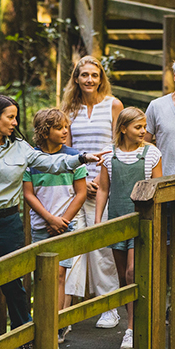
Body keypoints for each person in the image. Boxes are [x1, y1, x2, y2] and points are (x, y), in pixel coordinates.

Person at [0, 95, 106, 349]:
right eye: (10, 116)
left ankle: (25, 338)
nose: (15, 122)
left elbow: (52, 162)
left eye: (16, 117)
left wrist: (82, 158)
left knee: (13, 283)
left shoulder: (20, 147)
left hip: (7, 222)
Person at [62, 55, 126, 330]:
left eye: (94, 75)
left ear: (101, 78)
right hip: (77, 188)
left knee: (102, 248)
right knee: (73, 249)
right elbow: (68, 153)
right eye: (84, 75)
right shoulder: (69, 110)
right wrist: (80, 182)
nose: (89, 80)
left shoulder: (113, 105)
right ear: (76, 78)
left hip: (106, 187)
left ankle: (109, 307)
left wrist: (103, 180)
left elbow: (119, 146)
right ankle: (64, 313)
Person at [95, 107, 163, 349]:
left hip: (141, 222)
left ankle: (132, 329)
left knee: (134, 272)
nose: (144, 131)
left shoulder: (152, 154)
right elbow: (103, 189)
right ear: (123, 129)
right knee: (124, 277)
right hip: (116, 220)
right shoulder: (109, 156)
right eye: (138, 127)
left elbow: (158, 187)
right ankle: (133, 322)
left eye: (144, 126)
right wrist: (98, 221)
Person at [22, 109, 88, 344]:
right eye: (59, 128)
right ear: (44, 131)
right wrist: (50, 219)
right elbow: (29, 194)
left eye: (66, 127)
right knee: (42, 275)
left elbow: (81, 193)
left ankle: (57, 324)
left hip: (66, 224)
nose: (65, 131)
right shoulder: (31, 159)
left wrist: (63, 221)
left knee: (60, 274)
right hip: (42, 224)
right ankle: (42, 322)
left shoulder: (74, 156)